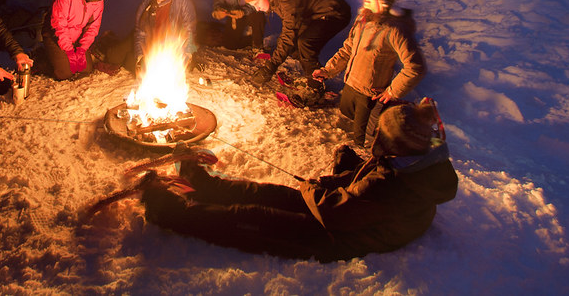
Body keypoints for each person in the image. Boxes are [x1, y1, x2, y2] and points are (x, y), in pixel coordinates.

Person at [138, 100, 458, 262]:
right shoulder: (410, 158)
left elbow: (338, 212)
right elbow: (372, 176)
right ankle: (207, 186)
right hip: (348, 211)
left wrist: (313, 188)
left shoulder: (396, 186)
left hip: (337, 236)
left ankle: (168, 213)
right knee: (266, 192)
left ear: (392, 144)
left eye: (380, 137)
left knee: (252, 218)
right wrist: (343, 175)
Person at [312, 0, 426, 147]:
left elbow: (415, 66)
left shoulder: (394, 30)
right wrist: (328, 70)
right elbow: (348, 48)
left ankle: (367, 157)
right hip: (351, 83)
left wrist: (392, 91)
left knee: (362, 139)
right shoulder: (363, 19)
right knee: (346, 110)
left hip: (369, 94)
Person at [243, 0, 351, 87]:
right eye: (254, 6)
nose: (257, 9)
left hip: (335, 12)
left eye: (257, 3)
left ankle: (315, 87)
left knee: (305, 43)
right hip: (314, 14)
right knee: (293, 44)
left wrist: (269, 67)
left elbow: (288, 35)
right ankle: (314, 75)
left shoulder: (287, 0)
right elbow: (290, 31)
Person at [40, 0, 105, 80]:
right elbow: (59, 24)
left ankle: (68, 55)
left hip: (77, 37)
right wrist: (69, 51)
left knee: (86, 69)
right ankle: (44, 57)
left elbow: (93, 26)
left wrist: (82, 49)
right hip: (56, 35)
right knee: (65, 73)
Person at [132, 0, 197, 76]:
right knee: (116, 56)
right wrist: (140, 57)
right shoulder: (146, 6)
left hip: (173, 48)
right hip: (153, 49)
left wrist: (188, 54)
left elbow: (189, 29)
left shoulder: (182, 1)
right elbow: (140, 33)